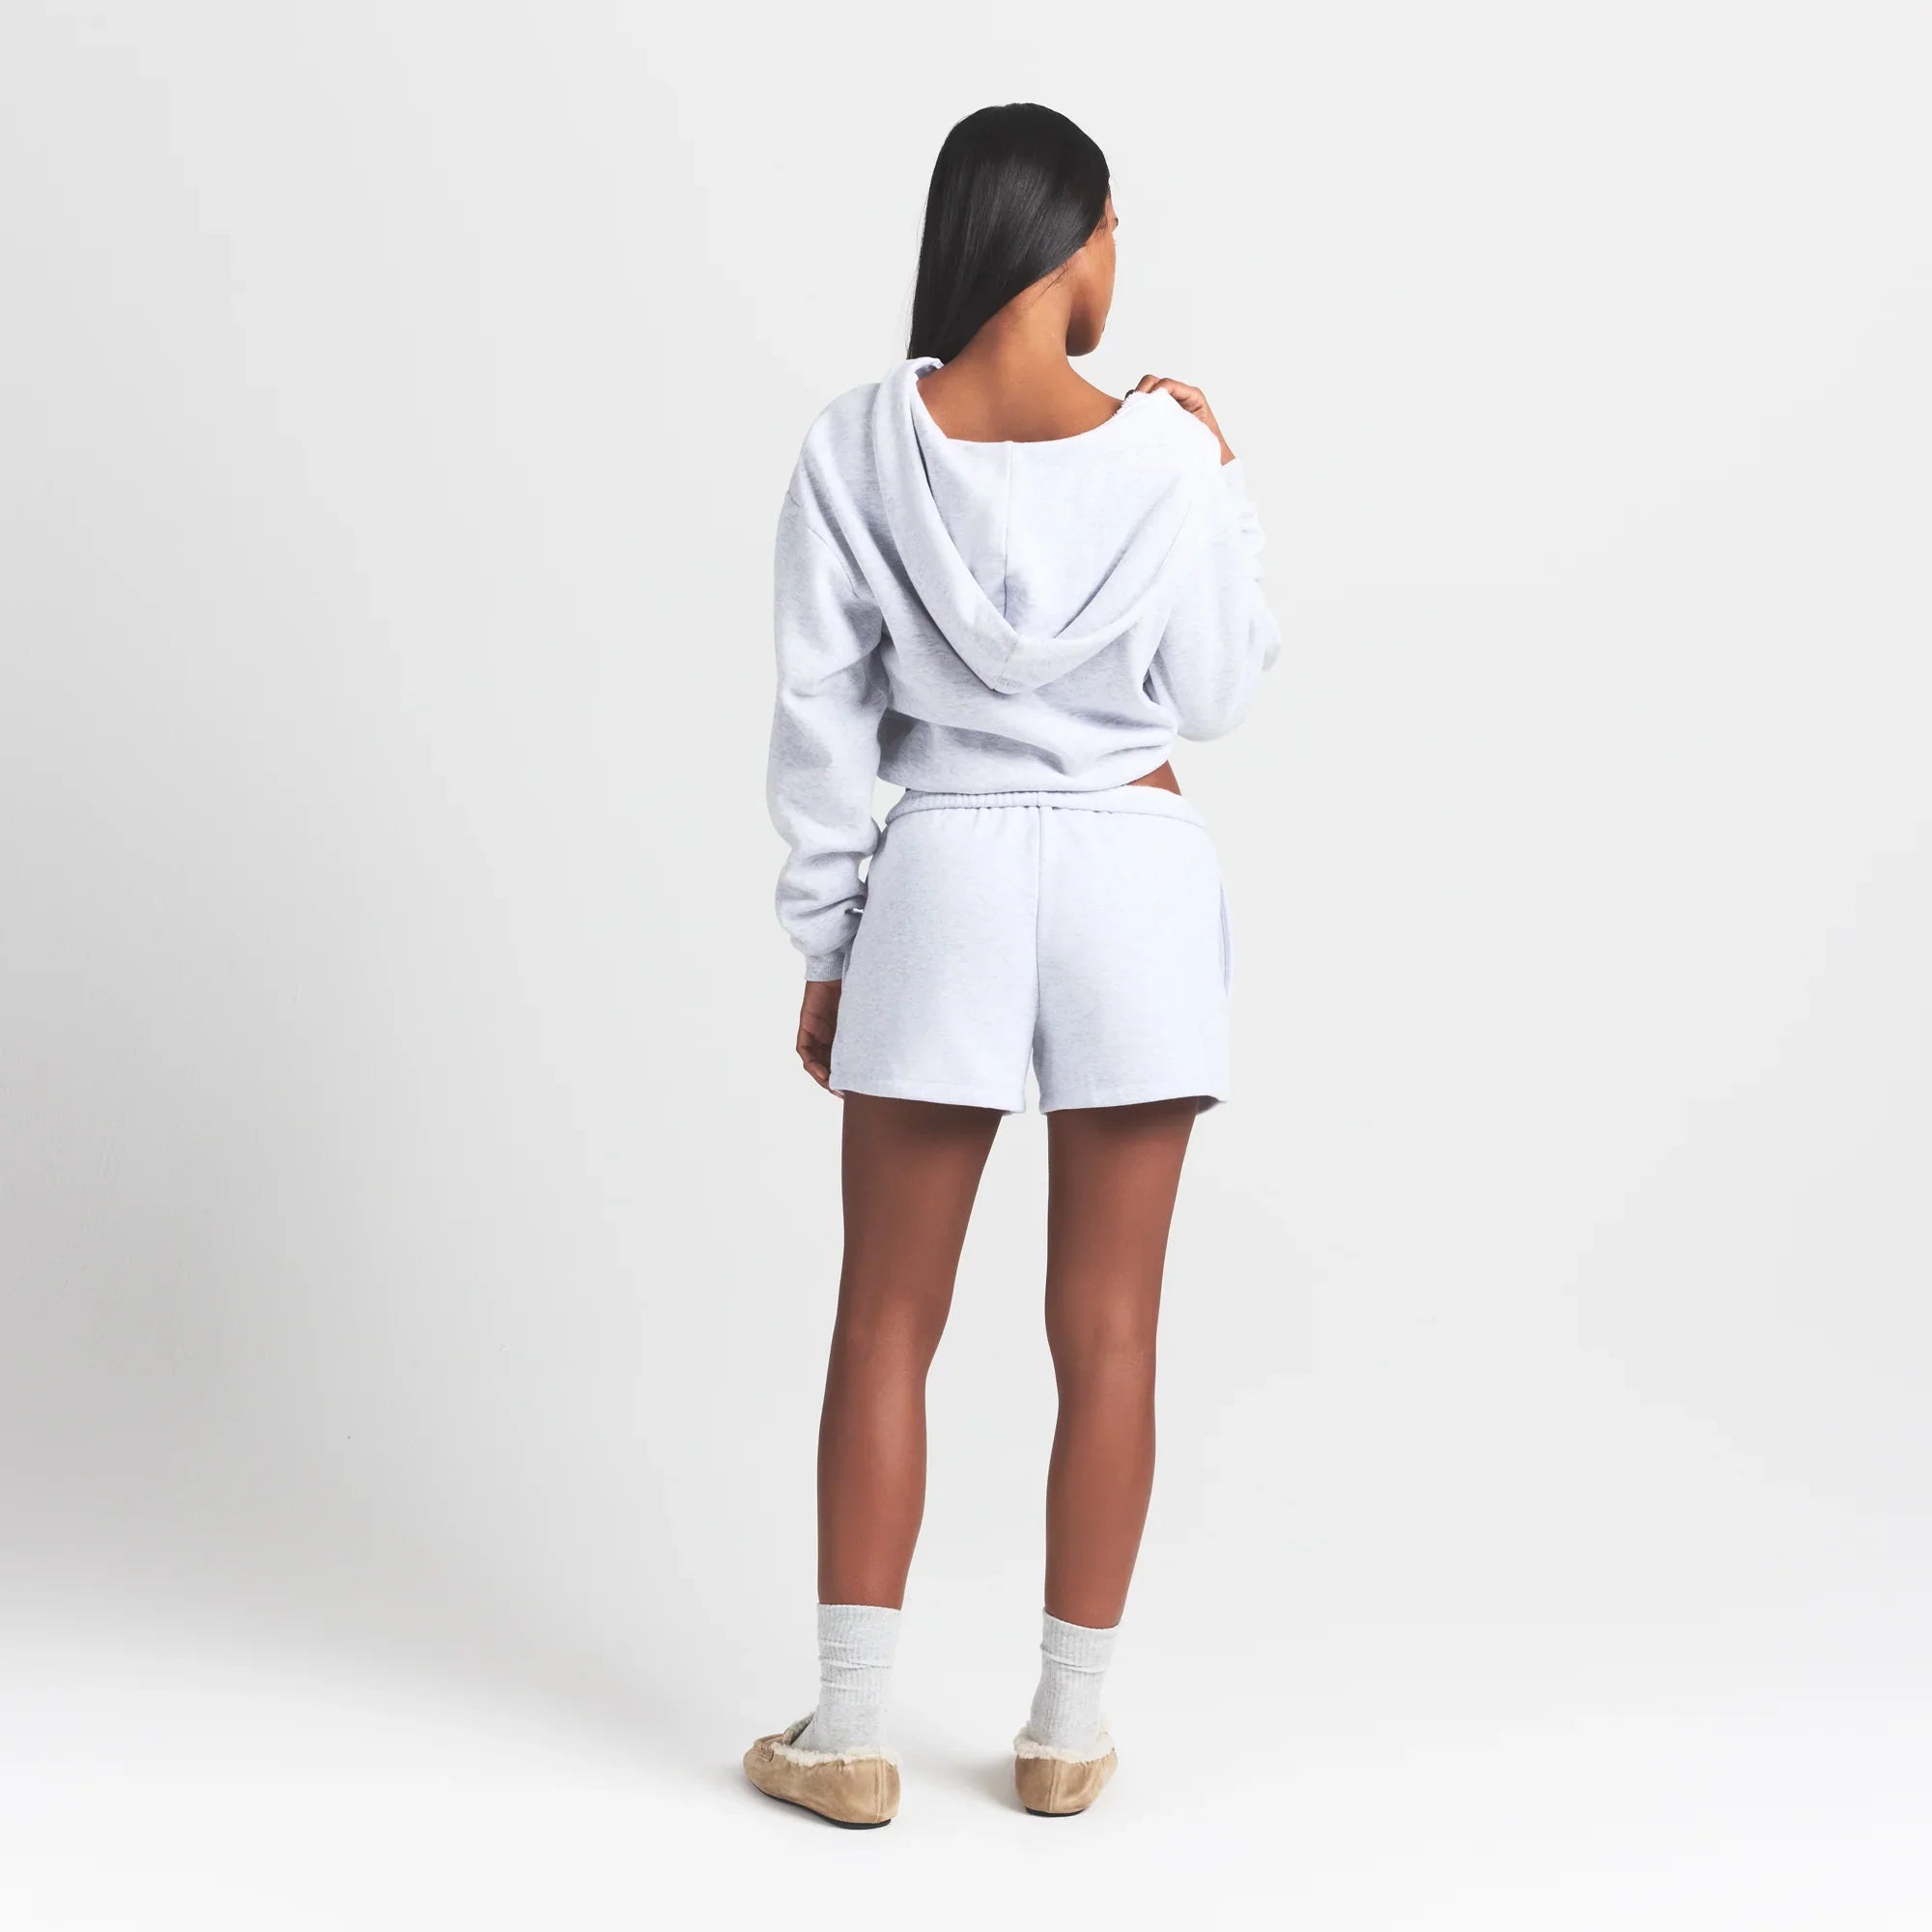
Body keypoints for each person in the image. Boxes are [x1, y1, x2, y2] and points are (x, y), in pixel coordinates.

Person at [745, 101, 1281, 1828]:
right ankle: (1064, 1730)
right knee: (1108, 1327)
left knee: (884, 1320)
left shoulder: (855, 444)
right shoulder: (1170, 453)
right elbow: (1216, 691)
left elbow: (820, 723)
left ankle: (848, 1736)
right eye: (1120, 232)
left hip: (947, 874)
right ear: (1079, 234)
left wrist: (829, 939)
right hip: (1134, 870)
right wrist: (1222, 478)